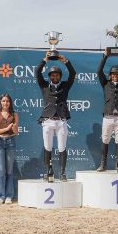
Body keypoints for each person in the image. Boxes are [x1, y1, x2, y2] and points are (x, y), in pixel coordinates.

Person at [35, 52, 76, 181]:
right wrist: (45, 60)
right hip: (47, 121)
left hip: (61, 121)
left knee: (62, 147)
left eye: (57, 74)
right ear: (49, 76)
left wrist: (66, 61)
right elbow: (37, 72)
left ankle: (63, 173)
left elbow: (73, 74)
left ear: (60, 76)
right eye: (52, 75)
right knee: (47, 147)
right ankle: (49, 172)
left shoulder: (65, 86)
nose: (55, 76)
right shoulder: (44, 86)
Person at [0, 93, 19, 204]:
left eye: (7, 101)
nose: (5, 103)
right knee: (0, 170)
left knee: (9, 170)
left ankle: (9, 195)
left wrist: (14, 127)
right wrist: (6, 128)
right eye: (3, 101)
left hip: (10, 141)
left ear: (10, 103)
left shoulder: (15, 114)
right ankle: (1, 196)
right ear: (0, 102)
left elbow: (16, 132)